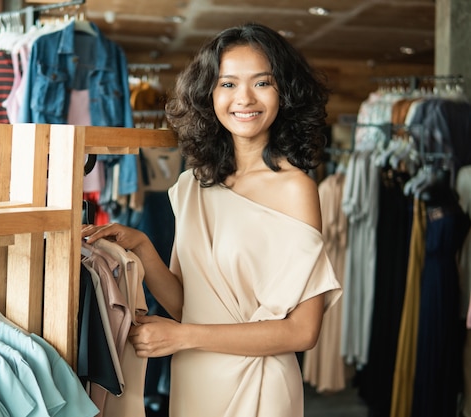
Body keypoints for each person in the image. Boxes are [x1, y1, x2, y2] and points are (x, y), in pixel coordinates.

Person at [82, 22, 342, 417]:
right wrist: (144, 248)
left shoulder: (295, 188)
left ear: (284, 93)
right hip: (195, 378)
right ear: (208, 94)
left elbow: (302, 331)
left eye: (262, 83)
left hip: (259, 384)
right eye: (228, 84)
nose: (244, 98)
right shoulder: (193, 186)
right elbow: (190, 305)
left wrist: (183, 338)